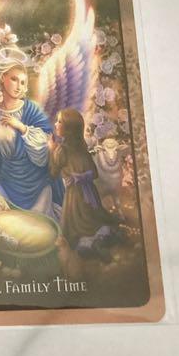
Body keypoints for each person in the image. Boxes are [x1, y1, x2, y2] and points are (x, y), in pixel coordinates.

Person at [0, 59, 64, 215]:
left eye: (23, 82)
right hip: (7, 182)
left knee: (37, 224)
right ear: (2, 78)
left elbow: (47, 145)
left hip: (36, 183)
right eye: (14, 79)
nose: (19, 86)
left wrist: (22, 127)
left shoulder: (32, 110)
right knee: (3, 220)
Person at [49, 108, 120, 253]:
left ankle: (92, 246)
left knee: (73, 231)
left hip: (74, 199)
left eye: (59, 122)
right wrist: (82, 177)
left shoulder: (61, 151)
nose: (55, 124)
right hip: (91, 195)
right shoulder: (82, 148)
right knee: (94, 221)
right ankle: (99, 240)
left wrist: (51, 150)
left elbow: (53, 173)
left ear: (69, 128)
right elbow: (94, 173)